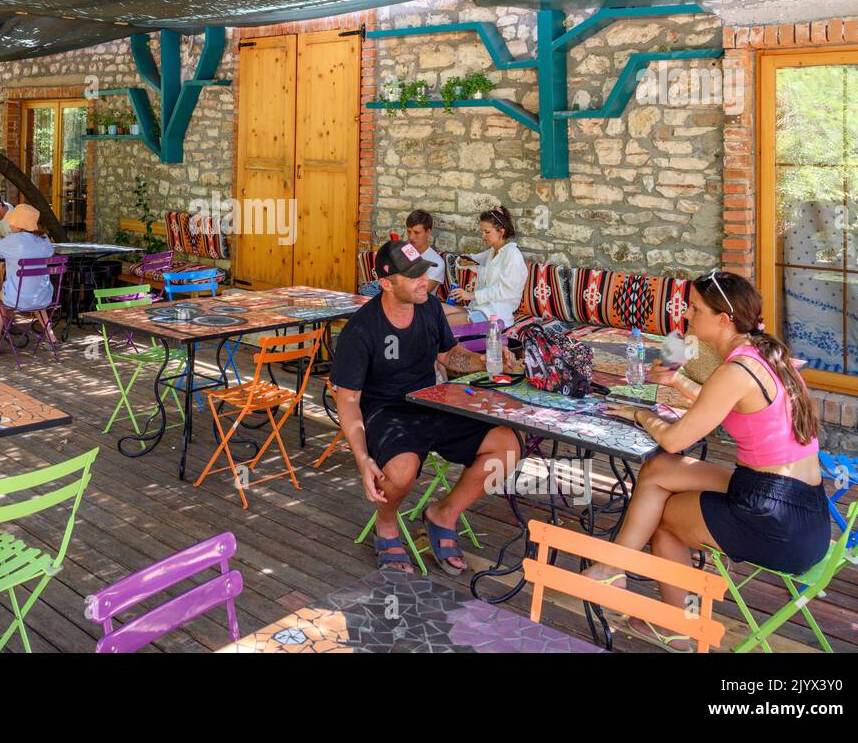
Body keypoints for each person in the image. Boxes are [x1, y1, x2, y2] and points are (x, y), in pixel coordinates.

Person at [582, 271, 827, 652]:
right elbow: (722, 402)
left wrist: (637, 415)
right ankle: (615, 567)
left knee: (665, 522)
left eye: (695, 310)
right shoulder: (766, 353)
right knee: (658, 469)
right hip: (803, 507)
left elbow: (677, 438)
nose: (687, 317)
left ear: (722, 320)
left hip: (776, 522)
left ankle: (683, 625)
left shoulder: (735, 370)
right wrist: (677, 382)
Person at [331, 239, 521, 575]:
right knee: (401, 470)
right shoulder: (361, 330)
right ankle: (386, 525)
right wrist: (362, 459)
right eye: (414, 276)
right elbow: (347, 401)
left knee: (506, 446)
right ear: (387, 284)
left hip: (432, 401)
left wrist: (484, 362)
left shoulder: (429, 308)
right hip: (386, 411)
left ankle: (443, 514)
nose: (424, 281)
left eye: (423, 272)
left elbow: (448, 355)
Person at [0, 204, 54, 356]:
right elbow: (49, 253)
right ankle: (51, 336)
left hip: (18, 298)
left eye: (13, 221)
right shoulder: (44, 240)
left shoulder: (13, 240)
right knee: (35, 295)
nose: (10, 224)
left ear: (20, 224)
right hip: (43, 295)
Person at [446, 205, 528, 329]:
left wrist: (471, 295)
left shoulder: (512, 254)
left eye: (487, 232)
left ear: (501, 231)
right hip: (478, 308)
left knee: (443, 322)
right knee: (436, 311)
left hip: (496, 315)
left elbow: (506, 291)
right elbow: (470, 259)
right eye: (482, 232)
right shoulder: (492, 252)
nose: (483, 236)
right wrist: (461, 262)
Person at [404, 209, 447, 295]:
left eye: (416, 232)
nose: (411, 237)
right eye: (409, 232)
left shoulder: (436, 262)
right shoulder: (404, 251)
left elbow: (420, 292)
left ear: (428, 232)